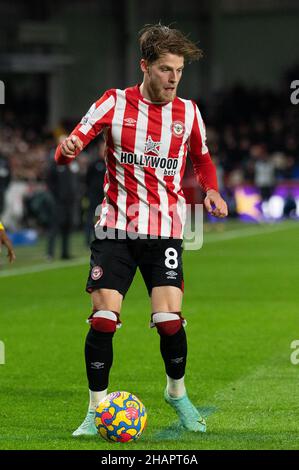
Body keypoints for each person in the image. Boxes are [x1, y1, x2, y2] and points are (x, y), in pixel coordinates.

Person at [55, 24, 228, 436]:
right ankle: (97, 409)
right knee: (102, 319)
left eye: (179, 71)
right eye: (166, 69)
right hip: (116, 227)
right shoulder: (113, 104)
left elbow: (202, 160)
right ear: (145, 66)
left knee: (169, 319)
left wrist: (213, 191)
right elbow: (67, 150)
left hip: (165, 230)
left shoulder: (188, 113)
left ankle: (176, 393)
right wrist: (66, 151)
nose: (174, 79)